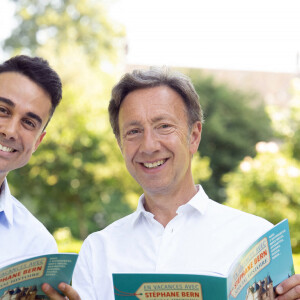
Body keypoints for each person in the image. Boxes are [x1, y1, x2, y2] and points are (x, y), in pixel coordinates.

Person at [43, 67, 300, 300]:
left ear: (194, 136)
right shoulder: (97, 251)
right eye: (133, 132)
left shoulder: (255, 240)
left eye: (164, 126)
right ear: (121, 145)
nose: (149, 145)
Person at [0, 55, 62, 267]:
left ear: (37, 142)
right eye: (2, 110)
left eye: (28, 122)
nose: (9, 131)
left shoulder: (38, 248)